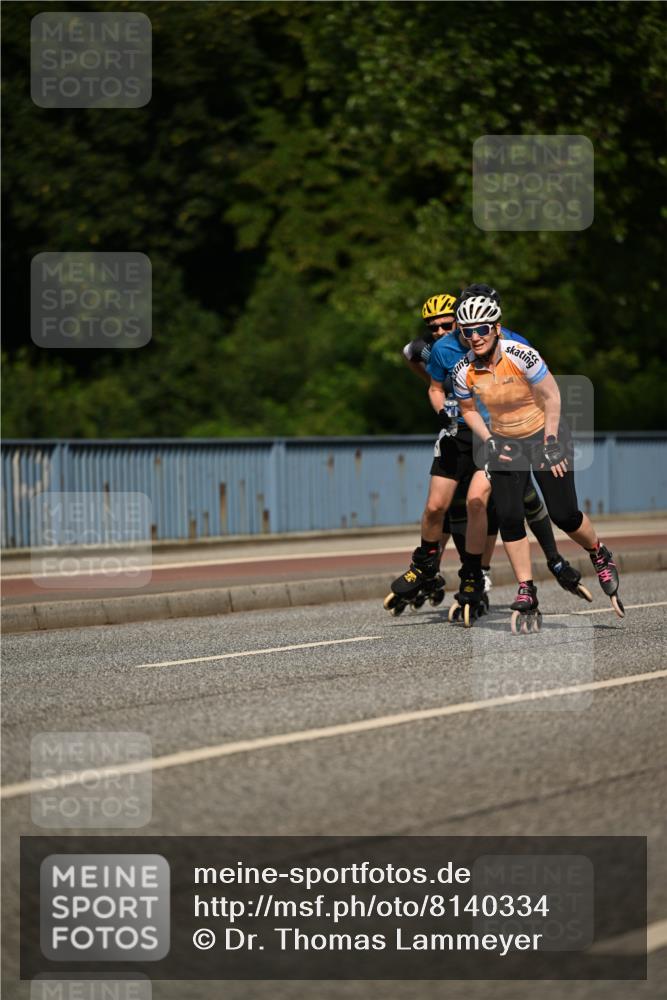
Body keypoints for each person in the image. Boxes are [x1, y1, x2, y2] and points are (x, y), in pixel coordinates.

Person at [385, 289, 572, 617]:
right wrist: (442, 408)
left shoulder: (510, 342)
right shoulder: (438, 349)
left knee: (487, 502)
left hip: (498, 434)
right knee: (438, 506)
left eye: (446, 325)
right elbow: (429, 379)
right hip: (458, 432)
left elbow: (541, 388)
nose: (440, 331)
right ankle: (426, 565)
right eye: (433, 326)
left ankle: (484, 573)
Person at [452, 292, 624, 631]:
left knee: (564, 514)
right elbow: (468, 410)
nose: (475, 336)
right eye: (467, 331)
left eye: (482, 328)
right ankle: (526, 589)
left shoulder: (521, 355)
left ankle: (599, 552)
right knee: (509, 516)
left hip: (545, 432)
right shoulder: (463, 371)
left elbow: (552, 394)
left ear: (496, 328)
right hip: (506, 442)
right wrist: (488, 439)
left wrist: (551, 441)